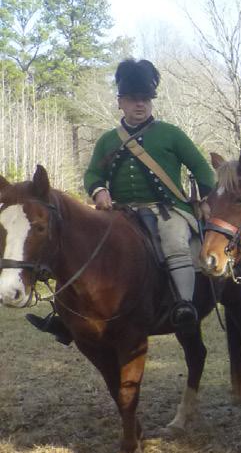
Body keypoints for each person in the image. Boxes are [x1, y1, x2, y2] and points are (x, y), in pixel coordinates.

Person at [28, 58, 215, 342]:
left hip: (167, 210)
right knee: (78, 245)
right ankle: (66, 315)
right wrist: (99, 191)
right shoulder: (107, 140)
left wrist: (206, 199)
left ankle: (184, 305)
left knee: (175, 242)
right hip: (121, 212)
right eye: (132, 99)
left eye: (145, 99)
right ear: (120, 103)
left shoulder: (171, 134)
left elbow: (202, 169)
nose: (140, 104)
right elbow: (93, 173)